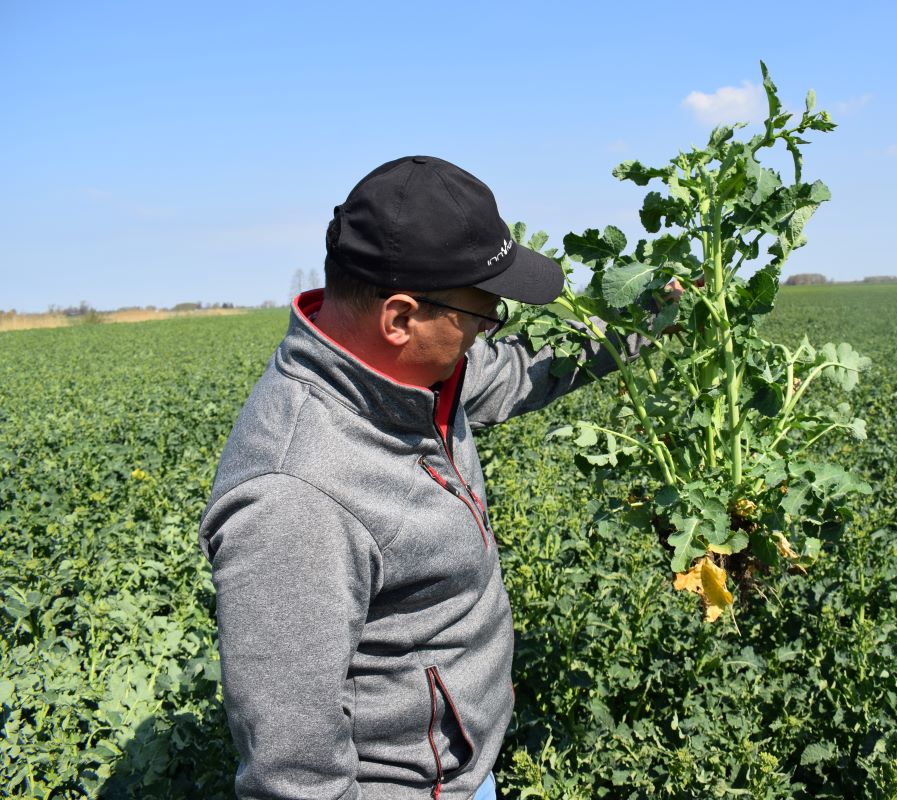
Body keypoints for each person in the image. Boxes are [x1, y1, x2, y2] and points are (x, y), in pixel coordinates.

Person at [197, 156, 645, 800]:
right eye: (481, 318)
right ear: (401, 318)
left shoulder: (415, 377)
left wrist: (644, 320)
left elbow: (522, 370)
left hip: (460, 767)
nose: (486, 336)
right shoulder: (297, 497)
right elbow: (293, 775)